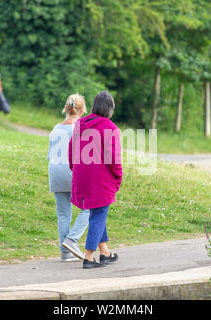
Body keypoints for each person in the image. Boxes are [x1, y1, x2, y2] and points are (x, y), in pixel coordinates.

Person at [68, 90, 123, 269]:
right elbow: (113, 158)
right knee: (99, 213)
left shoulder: (80, 124)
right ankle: (89, 256)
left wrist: (74, 169)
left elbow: (71, 150)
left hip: (80, 174)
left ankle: (104, 251)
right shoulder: (109, 127)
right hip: (100, 178)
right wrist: (118, 176)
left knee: (98, 211)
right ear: (110, 108)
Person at [48, 93, 90, 262]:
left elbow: (49, 154)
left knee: (63, 214)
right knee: (89, 208)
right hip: (73, 172)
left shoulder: (55, 129)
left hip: (55, 171)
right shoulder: (81, 128)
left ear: (65, 108)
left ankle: (64, 253)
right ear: (83, 111)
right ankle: (72, 239)